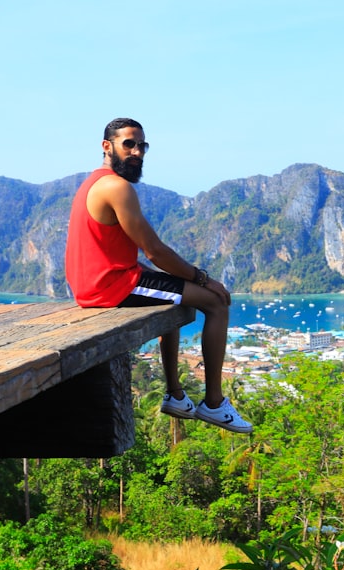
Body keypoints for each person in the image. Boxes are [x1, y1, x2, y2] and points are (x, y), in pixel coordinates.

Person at [64, 117, 252, 434]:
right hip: (112, 288)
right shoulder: (116, 187)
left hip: (100, 282)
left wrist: (190, 279)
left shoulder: (93, 183)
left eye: (142, 146)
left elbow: (143, 256)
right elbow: (155, 252)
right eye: (129, 144)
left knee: (176, 294)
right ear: (107, 146)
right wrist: (205, 280)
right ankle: (214, 403)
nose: (137, 152)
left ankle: (176, 395)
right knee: (216, 304)